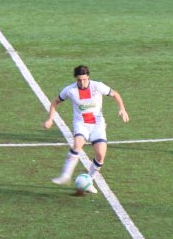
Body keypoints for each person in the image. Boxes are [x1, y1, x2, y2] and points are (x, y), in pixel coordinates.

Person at [44, 64, 129, 193]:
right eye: (79, 79)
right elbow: (55, 101)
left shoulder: (97, 86)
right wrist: (50, 119)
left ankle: (89, 180)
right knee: (77, 144)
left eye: (84, 79)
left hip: (97, 124)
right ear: (75, 79)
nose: (82, 82)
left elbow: (115, 94)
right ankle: (65, 176)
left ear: (88, 77)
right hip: (81, 123)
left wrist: (122, 109)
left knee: (100, 155)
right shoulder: (70, 90)